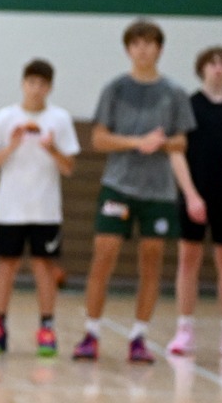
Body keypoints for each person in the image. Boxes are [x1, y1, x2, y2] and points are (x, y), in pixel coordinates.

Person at [77, 19, 198, 363]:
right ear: (128, 49)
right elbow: (98, 138)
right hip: (118, 185)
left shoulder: (174, 92)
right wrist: (136, 142)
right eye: (137, 44)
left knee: (152, 262)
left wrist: (159, 143)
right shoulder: (114, 88)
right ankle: (91, 332)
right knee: (104, 255)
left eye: (150, 44)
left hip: (158, 191)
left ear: (159, 49)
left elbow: (181, 141)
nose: (143, 50)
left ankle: (139, 336)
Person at [0, 59, 80, 356]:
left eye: (42, 84)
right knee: (5, 266)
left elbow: (69, 168)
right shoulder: (5, 118)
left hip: (45, 209)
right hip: (9, 209)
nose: (36, 89)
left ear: (49, 87)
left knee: (43, 267)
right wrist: (10, 146)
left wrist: (52, 149)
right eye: (31, 82)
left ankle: (47, 327)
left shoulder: (59, 119)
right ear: (23, 83)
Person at [169, 46, 222, 358]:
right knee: (188, 261)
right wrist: (190, 194)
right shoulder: (187, 105)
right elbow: (176, 152)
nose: (217, 69)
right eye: (212, 63)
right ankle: (185, 329)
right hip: (195, 194)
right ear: (201, 68)